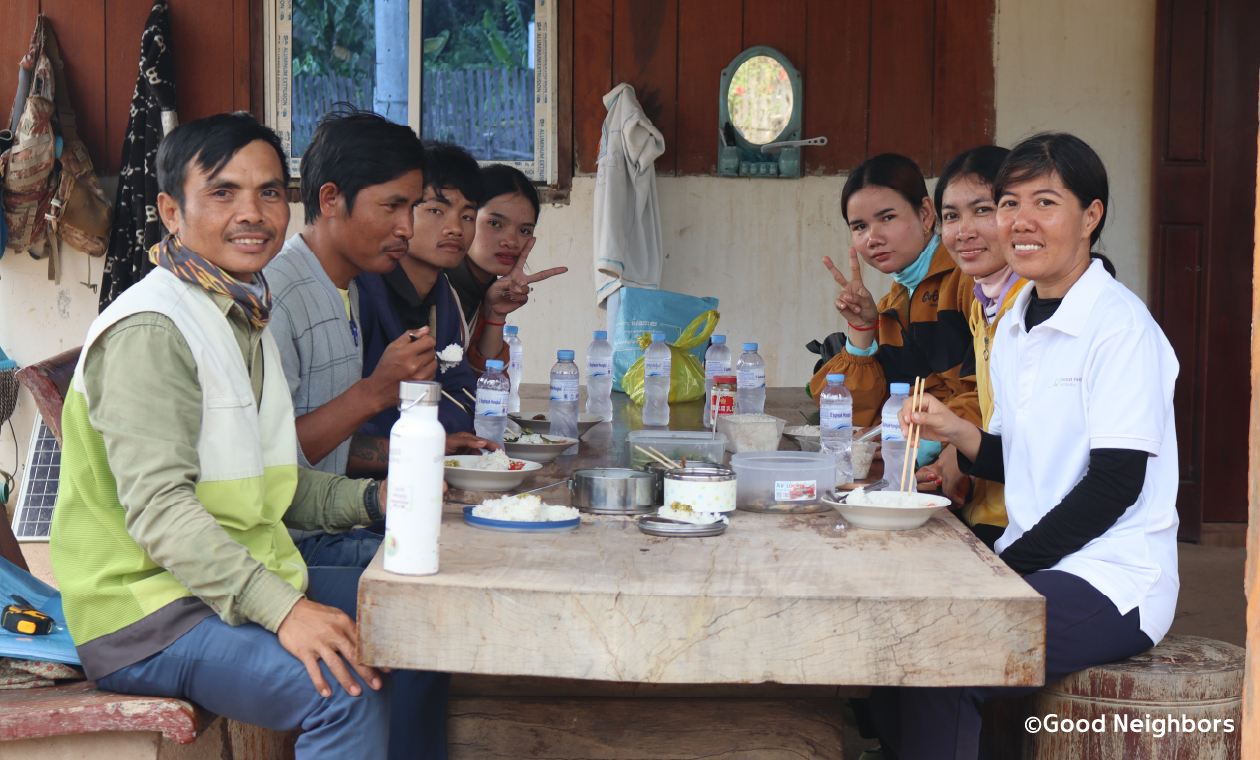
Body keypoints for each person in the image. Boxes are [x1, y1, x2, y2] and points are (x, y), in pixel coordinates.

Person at [48, 112, 443, 760]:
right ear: (172, 211)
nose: (253, 213)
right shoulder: (153, 328)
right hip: (151, 613)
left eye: (267, 192)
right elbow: (161, 513)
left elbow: (268, 481)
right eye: (223, 193)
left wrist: (378, 501)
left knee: (418, 616)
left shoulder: (236, 313)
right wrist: (286, 611)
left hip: (231, 576)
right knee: (343, 696)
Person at [869, 133, 1178, 759]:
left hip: (1112, 580)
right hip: (1038, 557)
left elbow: (1115, 485)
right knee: (886, 619)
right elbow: (1021, 457)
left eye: (1046, 202)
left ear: (1090, 216)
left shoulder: (1121, 330)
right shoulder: (1016, 323)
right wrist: (958, 436)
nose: (1020, 222)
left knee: (949, 655)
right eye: (1009, 203)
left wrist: (1003, 571)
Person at [266, 111, 493, 570]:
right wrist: (374, 394)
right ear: (330, 199)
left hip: (342, 523)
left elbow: (335, 449)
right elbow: (271, 462)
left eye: (411, 208)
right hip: (292, 549)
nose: (406, 228)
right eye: (392, 207)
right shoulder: (279, 299)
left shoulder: (344, 286)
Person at [810, 154, 980, 469]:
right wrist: (861, 332)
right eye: (860, 226)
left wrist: (929, 442)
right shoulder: (890, 307)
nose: (873, 238)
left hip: (976, 466)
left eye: (887, 218)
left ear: (926, 214)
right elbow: (856, 416)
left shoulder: (970, 281)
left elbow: (990, 395)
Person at [918, 145, 1029, 547]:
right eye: (951, 216)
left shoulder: (1034, 307)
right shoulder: (984, 304)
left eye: (982, 210)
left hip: (1027, 526)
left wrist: (955, 447)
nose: (963, 231)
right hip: (988, 505)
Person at [444, 163, 567, 359]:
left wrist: (495, 316)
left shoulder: (487, 291)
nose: (511, 241)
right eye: (495, 223)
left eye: (524, 231)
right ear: (466, 218)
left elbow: (487, 381)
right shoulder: (438, 284)